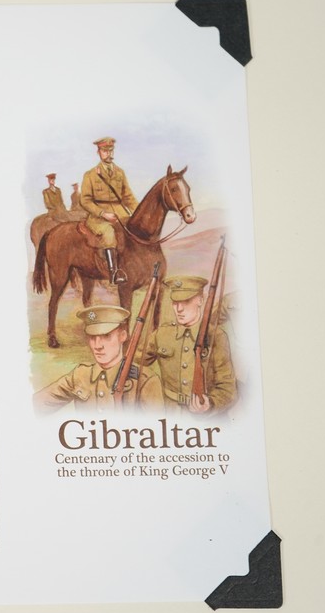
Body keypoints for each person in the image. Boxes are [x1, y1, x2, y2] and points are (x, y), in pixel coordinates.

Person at [33, 305, 162, 412]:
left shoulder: (144, 381)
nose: (97, 345)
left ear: (122, 336)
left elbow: (155, 428)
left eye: (106, 336)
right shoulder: (80, 375)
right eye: (92, 337)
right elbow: (35, 406)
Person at [142, 276, 237, 414]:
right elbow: (135, 363)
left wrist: (210, 404)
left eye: (186, 301)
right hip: (169, 413)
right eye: (175, 302)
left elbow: (228, 389)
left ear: (201, 300)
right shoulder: (161, 334)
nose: (179, 309)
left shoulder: (216, 336)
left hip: (205, 419)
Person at [80, 136, 138, 284]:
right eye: (105, 151)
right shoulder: (90, 175)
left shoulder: (120, 173)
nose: (109, 154)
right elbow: (85, 200)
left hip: (120, 213)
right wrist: (103, 213)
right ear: (98, 152)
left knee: (134, 231)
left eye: (111, 151)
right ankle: (114, 273)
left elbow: (128, 196)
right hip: (98, 217)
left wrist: (139, 212)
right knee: (109, 233)